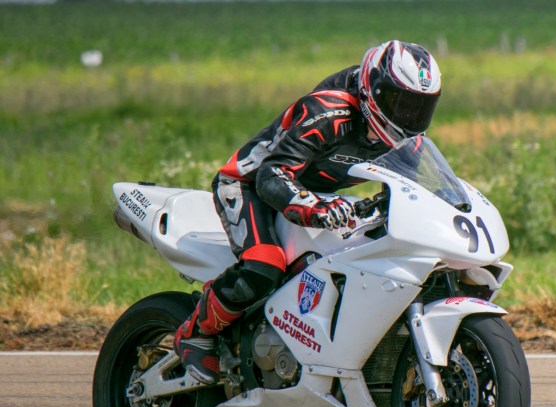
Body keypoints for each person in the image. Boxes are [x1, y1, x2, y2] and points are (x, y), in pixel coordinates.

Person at [174, 40, 442, 384]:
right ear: (373, 89)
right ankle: (195, 333)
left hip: (315, 194)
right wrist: (312, 206)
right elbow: (272, 175)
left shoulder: (408, 139)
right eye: (399, 102)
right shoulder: (329, 112)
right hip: (249, 185)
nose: (408, 117)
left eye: (420, 108)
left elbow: (416, 189)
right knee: (264, 265)